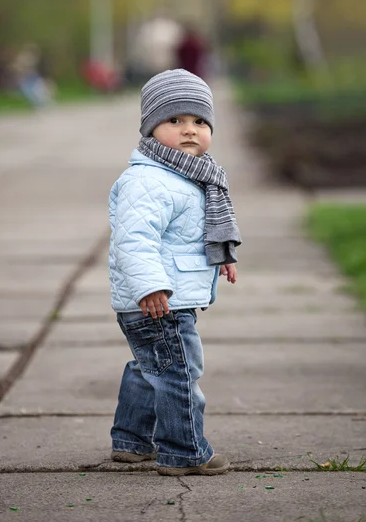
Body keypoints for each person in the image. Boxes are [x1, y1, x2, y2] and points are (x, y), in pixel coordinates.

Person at [108, 68, 242, 476]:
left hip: (164, 296)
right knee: (179, 372)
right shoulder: (147, 180)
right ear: (150, 129)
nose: (189, 130)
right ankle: (184, 450)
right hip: (157, 299)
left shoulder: (189, 175)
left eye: (200, 121)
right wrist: (150, 286)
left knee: (149, 368)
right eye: (175, 120)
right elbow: (134, 240)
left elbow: (190, 231)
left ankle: (131, 441)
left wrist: (222, 256)